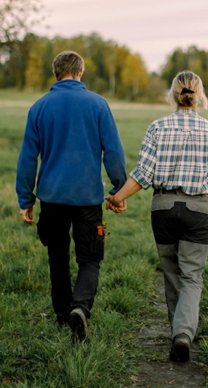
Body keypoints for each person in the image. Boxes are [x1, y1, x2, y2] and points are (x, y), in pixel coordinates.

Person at [106, 70, 208, 362]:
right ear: (199, 96)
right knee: (192, 276)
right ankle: (183, 334)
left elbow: (142, 174)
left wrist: (118, 197)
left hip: (163, 208)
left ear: (173, 95)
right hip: (198, 209)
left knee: (172, 273)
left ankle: (178, 335)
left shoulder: (157, 128)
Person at [16, 51, 127, 342]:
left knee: (57, 256)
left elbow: (28, 157)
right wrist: (119, 189)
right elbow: (113, 151)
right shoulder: (98, 104)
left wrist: (25, 199)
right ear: (80, 72)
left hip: (51, 197)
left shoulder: (39, 107)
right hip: (87, 199)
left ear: (56, 73)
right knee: (90, 258)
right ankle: (80, 308)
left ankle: (63, 314)